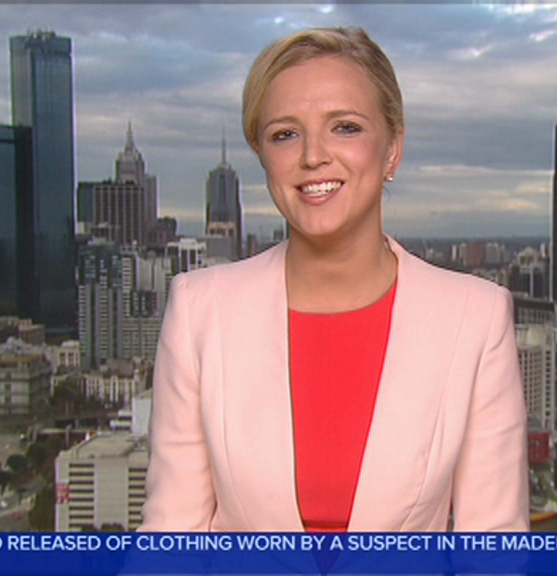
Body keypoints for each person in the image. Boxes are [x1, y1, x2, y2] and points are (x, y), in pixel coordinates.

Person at [139, 27, 528, 532]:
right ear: (263, 157)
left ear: (392, 149)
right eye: (285, 134)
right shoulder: (200, 310)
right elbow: (171, 545)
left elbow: (493, 553)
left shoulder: (475, 318)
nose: (313, 156)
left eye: (345, 127)